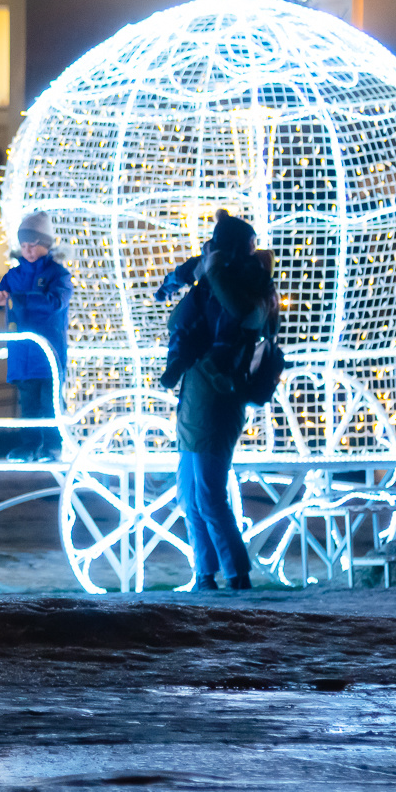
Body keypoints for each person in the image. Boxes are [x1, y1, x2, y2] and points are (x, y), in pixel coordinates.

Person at [156, 211, 277, 591]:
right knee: (189, 494)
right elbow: (182, 314)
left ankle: (237, 575)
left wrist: (214, 269)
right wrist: (199, 273)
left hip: (219, 397)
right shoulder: (210, 282)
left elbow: (242, 312)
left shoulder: (254, 289)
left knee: (209, 494)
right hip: (193, 393)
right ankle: (204, 574)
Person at [0, 212, 73, 462]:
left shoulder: (59, 275)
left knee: (50, 403)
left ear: (46, 244)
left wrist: (20, 299)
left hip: (48, 352)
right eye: (24, 245)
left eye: (33, 244)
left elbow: (56, 302)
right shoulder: (15, 275)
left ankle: (53, 445)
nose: (28, 250)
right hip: (23, 352)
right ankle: (31, 445)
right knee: (29, 404)